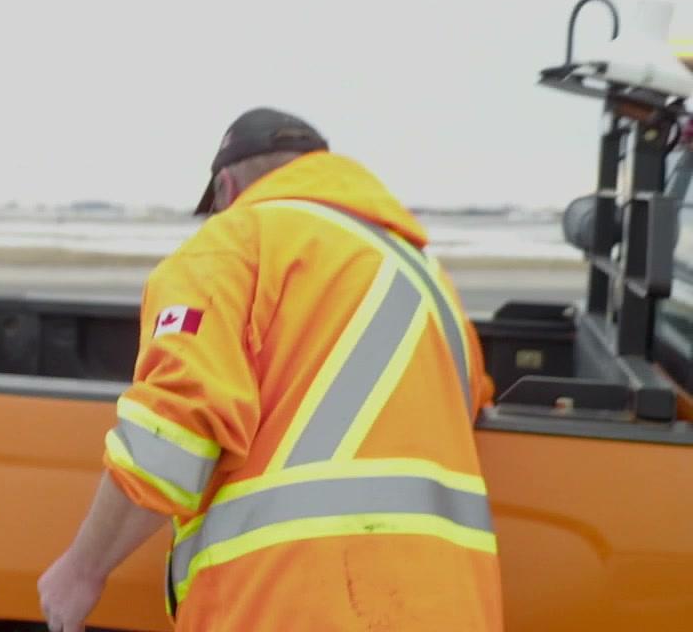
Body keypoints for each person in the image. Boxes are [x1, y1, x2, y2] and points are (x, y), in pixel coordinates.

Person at [38, 108, 503, 631]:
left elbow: (174, 433)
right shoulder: (426, 277)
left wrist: (81, 571)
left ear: (226, 188)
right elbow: (467, 402)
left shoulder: (233, 241)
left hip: (291, 604)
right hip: (448, 607)